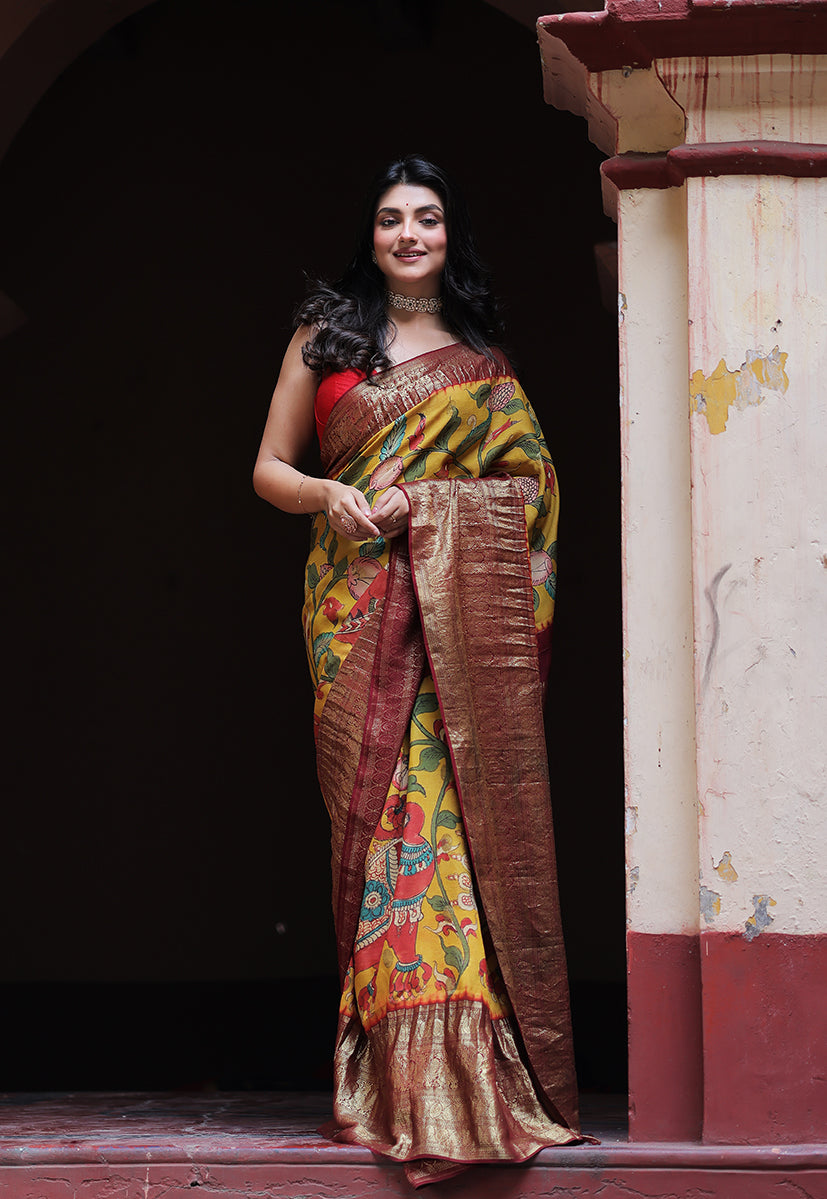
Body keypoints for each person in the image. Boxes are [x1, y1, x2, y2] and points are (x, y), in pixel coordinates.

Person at [253, 155, 585, 1187]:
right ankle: (385, 1080)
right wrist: (333, 501)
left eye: (427, 219)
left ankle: (457, 1078)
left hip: (455, 639)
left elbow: (530, 488)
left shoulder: (482, 364)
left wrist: (437, 506)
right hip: (352, 615)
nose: (408, 235)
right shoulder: (323, 336)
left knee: (436, 830)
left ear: (450, 238)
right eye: (391, 219)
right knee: (371, 821)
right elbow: (267, 469)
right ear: (371, 236)